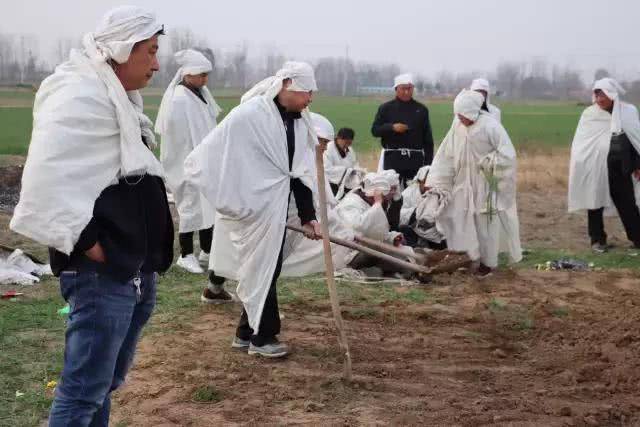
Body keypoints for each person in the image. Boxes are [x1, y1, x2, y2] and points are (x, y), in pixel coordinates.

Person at [10, 6, 172, 426]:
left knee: (102, 383)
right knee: (83, 391)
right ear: (120, 50)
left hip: (130, 266)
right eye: (149, 52)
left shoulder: (119, 100)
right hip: (101, 272)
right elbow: (47, 180)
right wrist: (91, 246)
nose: (156, 63)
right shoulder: (78, 96)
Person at [184, 62, 322, 358]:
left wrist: (309, 217)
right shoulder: (249, 116)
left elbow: (297, 173)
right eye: (306, 91)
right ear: (287, 85)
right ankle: (263, 338)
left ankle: (247, 333)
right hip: (251, 209)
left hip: (277, 208)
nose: (310, 98)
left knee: (267, 270)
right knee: (262, 269)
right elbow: (206, 158)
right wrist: (236, 200)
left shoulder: (299, 121)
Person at [427, 90, 522, 277]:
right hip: (462, 184)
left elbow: (508, 155)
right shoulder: (457, 127)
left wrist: (488, 163)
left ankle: (488, 263)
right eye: (458, 115)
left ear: (471, 111)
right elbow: (446, 155)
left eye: (463, 115)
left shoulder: (491, 126)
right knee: (457, 218)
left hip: (486, 185)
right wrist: (438, 180)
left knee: (485, 224)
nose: (460, 118)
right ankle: (464, 256)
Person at [156, 49, 222, 274]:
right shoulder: (180, 98)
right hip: (185, 161)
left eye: (206, 75)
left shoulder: (198, 93)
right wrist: (196, 160)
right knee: (190, 207)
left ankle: (207, 250)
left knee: (206, 204)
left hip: (201, 159)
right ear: (187, 74)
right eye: (201, 74)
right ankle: (186, 254)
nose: (205, 79)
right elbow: (184, 135)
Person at [568, 77, 640, 252]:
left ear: (612, 95)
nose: (600, 100)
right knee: (595, 202)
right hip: (594, 167)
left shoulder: (628, 112)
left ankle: (637, 238)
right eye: (597, 95)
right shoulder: (589, 114)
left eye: (604, 95)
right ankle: (597, 240)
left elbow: (635, 140)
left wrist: (638, 164)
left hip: (620, 166)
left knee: (627, 203)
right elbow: (582, 144)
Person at [372, 73, 434, 187]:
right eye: (403, 89)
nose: (406, 92)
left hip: (415, 160)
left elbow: (428, 139)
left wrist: (428, 165)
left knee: (413, 193)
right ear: (396, 89)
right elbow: (375, 130)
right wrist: (392, 127)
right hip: (392, 158)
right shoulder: (386, 108)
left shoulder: (421, 109)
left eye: (409, 89)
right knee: (390, 193)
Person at [398, 166, 447, 249]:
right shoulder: (407, 195)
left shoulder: (437, 194)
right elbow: (399, 216)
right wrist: (415, 213)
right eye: (426, 182)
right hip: (412, 230)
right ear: (419, 182)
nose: (429, 186)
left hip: (432, 234)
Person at [324, 127, 362, 196]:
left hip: (347, 182)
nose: (347, 146)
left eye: (350, 143)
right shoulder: (328, 149)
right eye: (346, 142)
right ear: (339, 138)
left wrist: (357, 171)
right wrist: (347, 170)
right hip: (331, 184)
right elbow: (327, 169)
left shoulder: (349, 149)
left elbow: (355, 163)